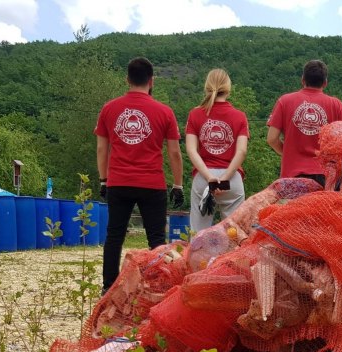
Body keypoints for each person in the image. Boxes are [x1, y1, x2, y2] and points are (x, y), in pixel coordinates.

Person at [94, 56, 184, 295]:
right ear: (151, 81)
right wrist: (178, 184)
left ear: (127, 80)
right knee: (157, 240)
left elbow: (102, 148)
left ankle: (108, 288)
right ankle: (161, 287)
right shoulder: (164, 112)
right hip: (152, 183)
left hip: (119, 182)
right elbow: (174, 153)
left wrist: (104, 179)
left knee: (114, 236)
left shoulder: (109, 109)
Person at [266, 59, 342, 187]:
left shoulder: (284, 101)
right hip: (325, 178)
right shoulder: (336, 105)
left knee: (293, 207)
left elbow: (271, 139)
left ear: (303, 80)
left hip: (291, 175)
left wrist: (289, 153)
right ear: (325, 83)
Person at [185, 68, 249, 232]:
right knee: (235, 235)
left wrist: (210, 178)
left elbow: (191, 150)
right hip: (232, 179)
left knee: (198, 235)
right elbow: (241, 152)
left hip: (204, 179)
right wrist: (225, 178)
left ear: (207, 87)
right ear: (228, 88)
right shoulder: (239, 116)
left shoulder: (195, 114)